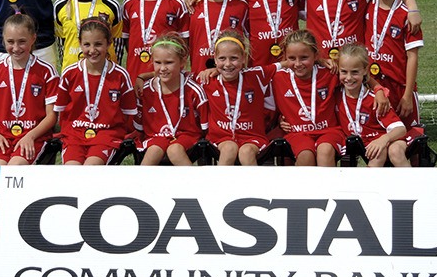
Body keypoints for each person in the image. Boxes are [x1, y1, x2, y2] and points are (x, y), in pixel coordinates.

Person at [0, 12, 59, 165]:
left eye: (22, 42)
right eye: (10, 42)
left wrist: (31, 136)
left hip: (33, 137)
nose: (16, 48)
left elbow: (51, 116)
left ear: (33, 38)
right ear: (3, 41)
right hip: (1, 137)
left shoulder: (46, 72)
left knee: (14, 168)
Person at [54, 17, 137, 165]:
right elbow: (62, 111)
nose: (92, 50)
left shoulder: (120, 75)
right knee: (71, 171)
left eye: (98, 44)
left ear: (109, 43)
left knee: (91, 168)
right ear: (80, 44)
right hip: (75, 136)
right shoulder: (70, 73)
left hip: (106, 136)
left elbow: (127, 114)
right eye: (87, 44)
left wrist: (108, 127)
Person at [365, 0, 424, 128]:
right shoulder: (366, 3)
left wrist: (407, 95)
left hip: (400, 88)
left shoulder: (407, 15)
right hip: (372, 85)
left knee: (409, 140)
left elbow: (412, 57)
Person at [202, 30, 278, 165]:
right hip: (221, 137)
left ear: (244, 58)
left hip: (252, 136)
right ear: (215, 59)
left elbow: (288, 63)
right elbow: (173, 74)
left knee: (246, 152)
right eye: (222, 59)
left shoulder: (256, 76)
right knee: (229, 149)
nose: (227, 64)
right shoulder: (207, 80)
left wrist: (320, 60)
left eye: (234, 58)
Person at [271, 30, 345, 166]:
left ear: (315, 55)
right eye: (292, 58)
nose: (298, 64)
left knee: (325, 150)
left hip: (328, 131)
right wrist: (278, 119)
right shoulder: (278, 78)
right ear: (285, 57)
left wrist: (378, 90)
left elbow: (357, 74)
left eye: (304, 57)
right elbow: (252, 76)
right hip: (297, 133)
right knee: (305, 155)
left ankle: (330, 188)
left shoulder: (330, 73)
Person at [134, 33, 208, 166]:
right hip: (156, 137)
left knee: (174, 150)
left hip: (186, 136)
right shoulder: (145, 91)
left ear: (182, 62)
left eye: (169, 62)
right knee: (154, 150)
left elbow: (204, 126)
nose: (163, 68)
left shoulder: (193, 90)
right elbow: (139, 128)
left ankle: (196, 185)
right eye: (158, 62)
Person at [336, 44, 409, 167]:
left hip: (382, 141)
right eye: (344, 72)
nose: (348, 78)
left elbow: (400, 129)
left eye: (354, 72)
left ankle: (412, 183)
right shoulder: (335, 93)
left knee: (389, 152)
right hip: (356, 142)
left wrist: (383, 140)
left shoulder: (375, 100)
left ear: (365, 70)